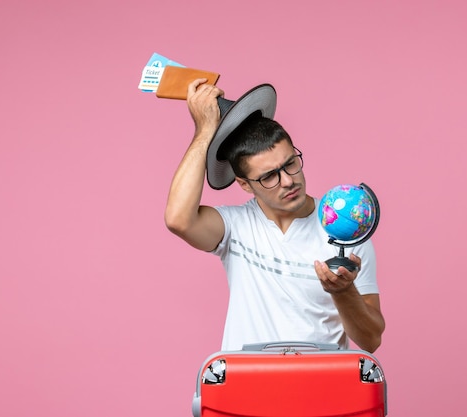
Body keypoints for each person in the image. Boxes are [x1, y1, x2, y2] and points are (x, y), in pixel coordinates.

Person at [164, 79, 385, 353]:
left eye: (290, 163)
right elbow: (178, 219)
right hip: (247, 387)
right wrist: (205, 129)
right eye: (269, 176)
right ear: (245, 184)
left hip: (322, 387)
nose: (287, 181)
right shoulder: (236, 227)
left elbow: (371, 339)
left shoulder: (346, 229)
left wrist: (343, 292)